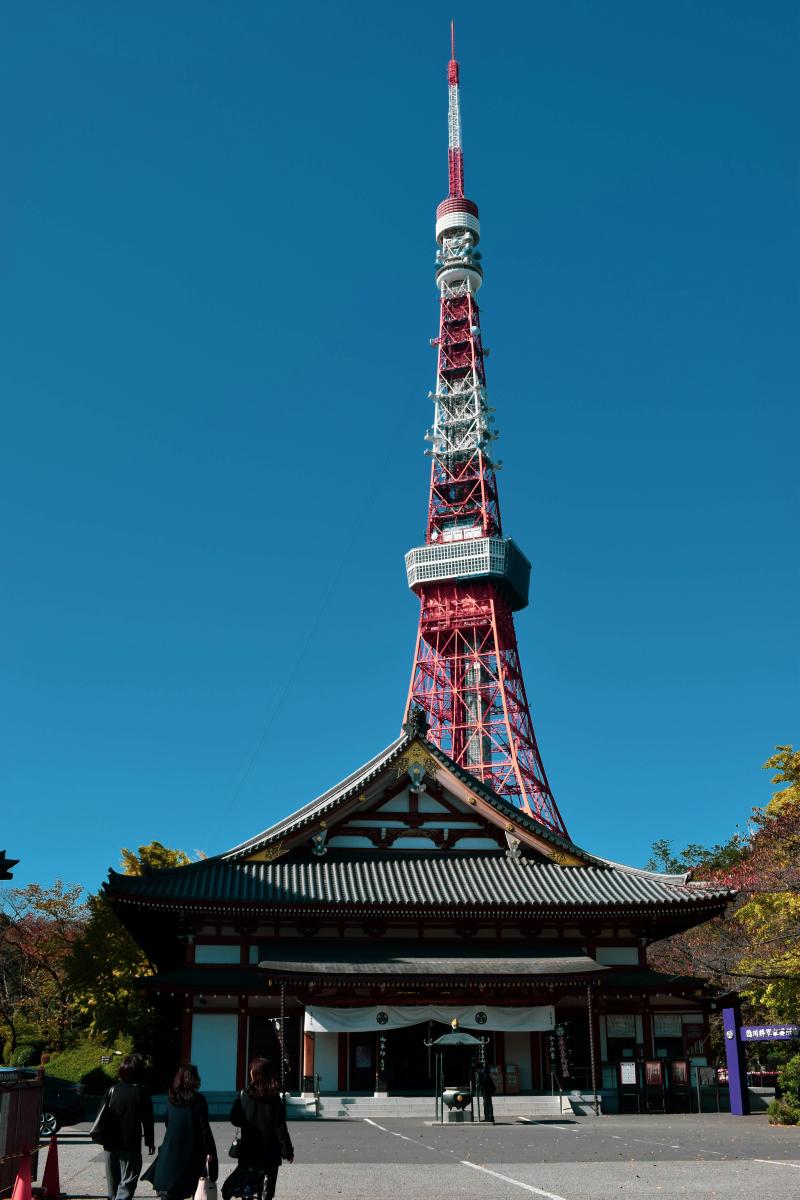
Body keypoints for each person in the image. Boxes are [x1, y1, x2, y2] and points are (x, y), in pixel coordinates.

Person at [222, 1057, 293, 1200]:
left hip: (249, 1150)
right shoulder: (274, 1098)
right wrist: (287, 1151)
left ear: (254, 1073)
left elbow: (234, 1119)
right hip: (270, 1152)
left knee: (248, 1189)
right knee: (266, 1191)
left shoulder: (244, 1095)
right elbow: (280, 1127)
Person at [142, 1065, 218, 1200]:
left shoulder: (172, 1099)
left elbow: (167, 1121)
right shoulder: (199, 1100)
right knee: (188, 1187)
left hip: (170, 1152)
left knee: (171, 1192)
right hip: (191, 1153)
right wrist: (209, 1151)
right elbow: (204, 1129)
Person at [102, 1053, 155, 1200]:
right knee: (127, 1182)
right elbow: (148, 1120)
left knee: (112, 1187)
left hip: (110, 1144)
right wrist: (149, 1141)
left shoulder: (111, 1090)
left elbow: (102, 1116)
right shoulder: (141, 1092)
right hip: (130, 1143)